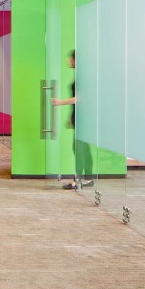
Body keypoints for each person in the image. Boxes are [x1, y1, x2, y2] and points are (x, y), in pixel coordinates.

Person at [51, 50, 91, 189]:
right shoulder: (80, 75)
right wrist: (71, 117)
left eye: (71, 59)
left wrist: (60, 102)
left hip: (84, 118)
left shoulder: (83, 77)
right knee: (82, 148)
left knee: (80, 149)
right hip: (80, 117)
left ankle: (79, 180)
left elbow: (81, 98)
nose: (69, 61)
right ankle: (87, 178)